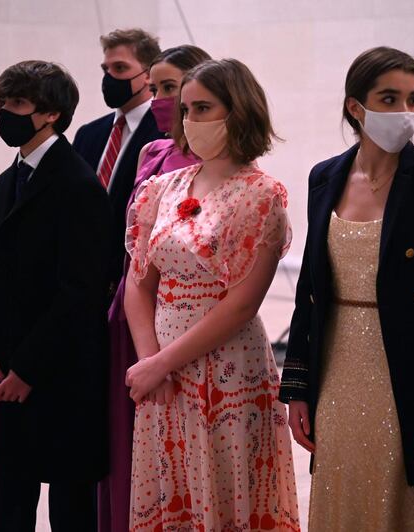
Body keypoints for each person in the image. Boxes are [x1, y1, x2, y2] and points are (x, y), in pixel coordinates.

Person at [279, 46, 414, 531]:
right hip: (338, 370)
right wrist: (299, 388)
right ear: (355, 106)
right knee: (342, 496)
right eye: (390, 98)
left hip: (405, 371)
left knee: (399, 499)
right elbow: (311, 291)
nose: (405, 113)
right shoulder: (324, 176)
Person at [124, 58, 300, 531]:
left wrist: (162, 363)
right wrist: (149, 361)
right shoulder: (160, 189)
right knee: (171, 491)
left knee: (226, 496)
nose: (189, 121)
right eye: (185, 109)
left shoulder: (262, 194)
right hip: (161, 369)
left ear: (238, 110)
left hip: (226, 366)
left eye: (203, 108)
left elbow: (243, 303)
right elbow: (137, 285)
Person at [0, 60, 112, 532]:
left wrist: (27, 370)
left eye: (16, 104)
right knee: (10, 499)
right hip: (8, 366)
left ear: (50, 113)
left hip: (59, 372)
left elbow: (80, 292)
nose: (5, 113)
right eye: (2, 103)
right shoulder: (4, 181)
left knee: (69, 506)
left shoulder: (79, 185)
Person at [100, 43, 209, 532]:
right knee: (129, 440)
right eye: (158, 87)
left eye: (172, 88)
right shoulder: (152, 151)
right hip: (134, 312)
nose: (162, 98)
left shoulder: (218, 169)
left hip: (191, 320)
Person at [72, 28, 163, 288]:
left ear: (148, 75)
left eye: (120, 68)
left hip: (129, 276)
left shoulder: (163, 133)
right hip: (82, 274)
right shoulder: (88, 133)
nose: (109, 77)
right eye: (106, 69)